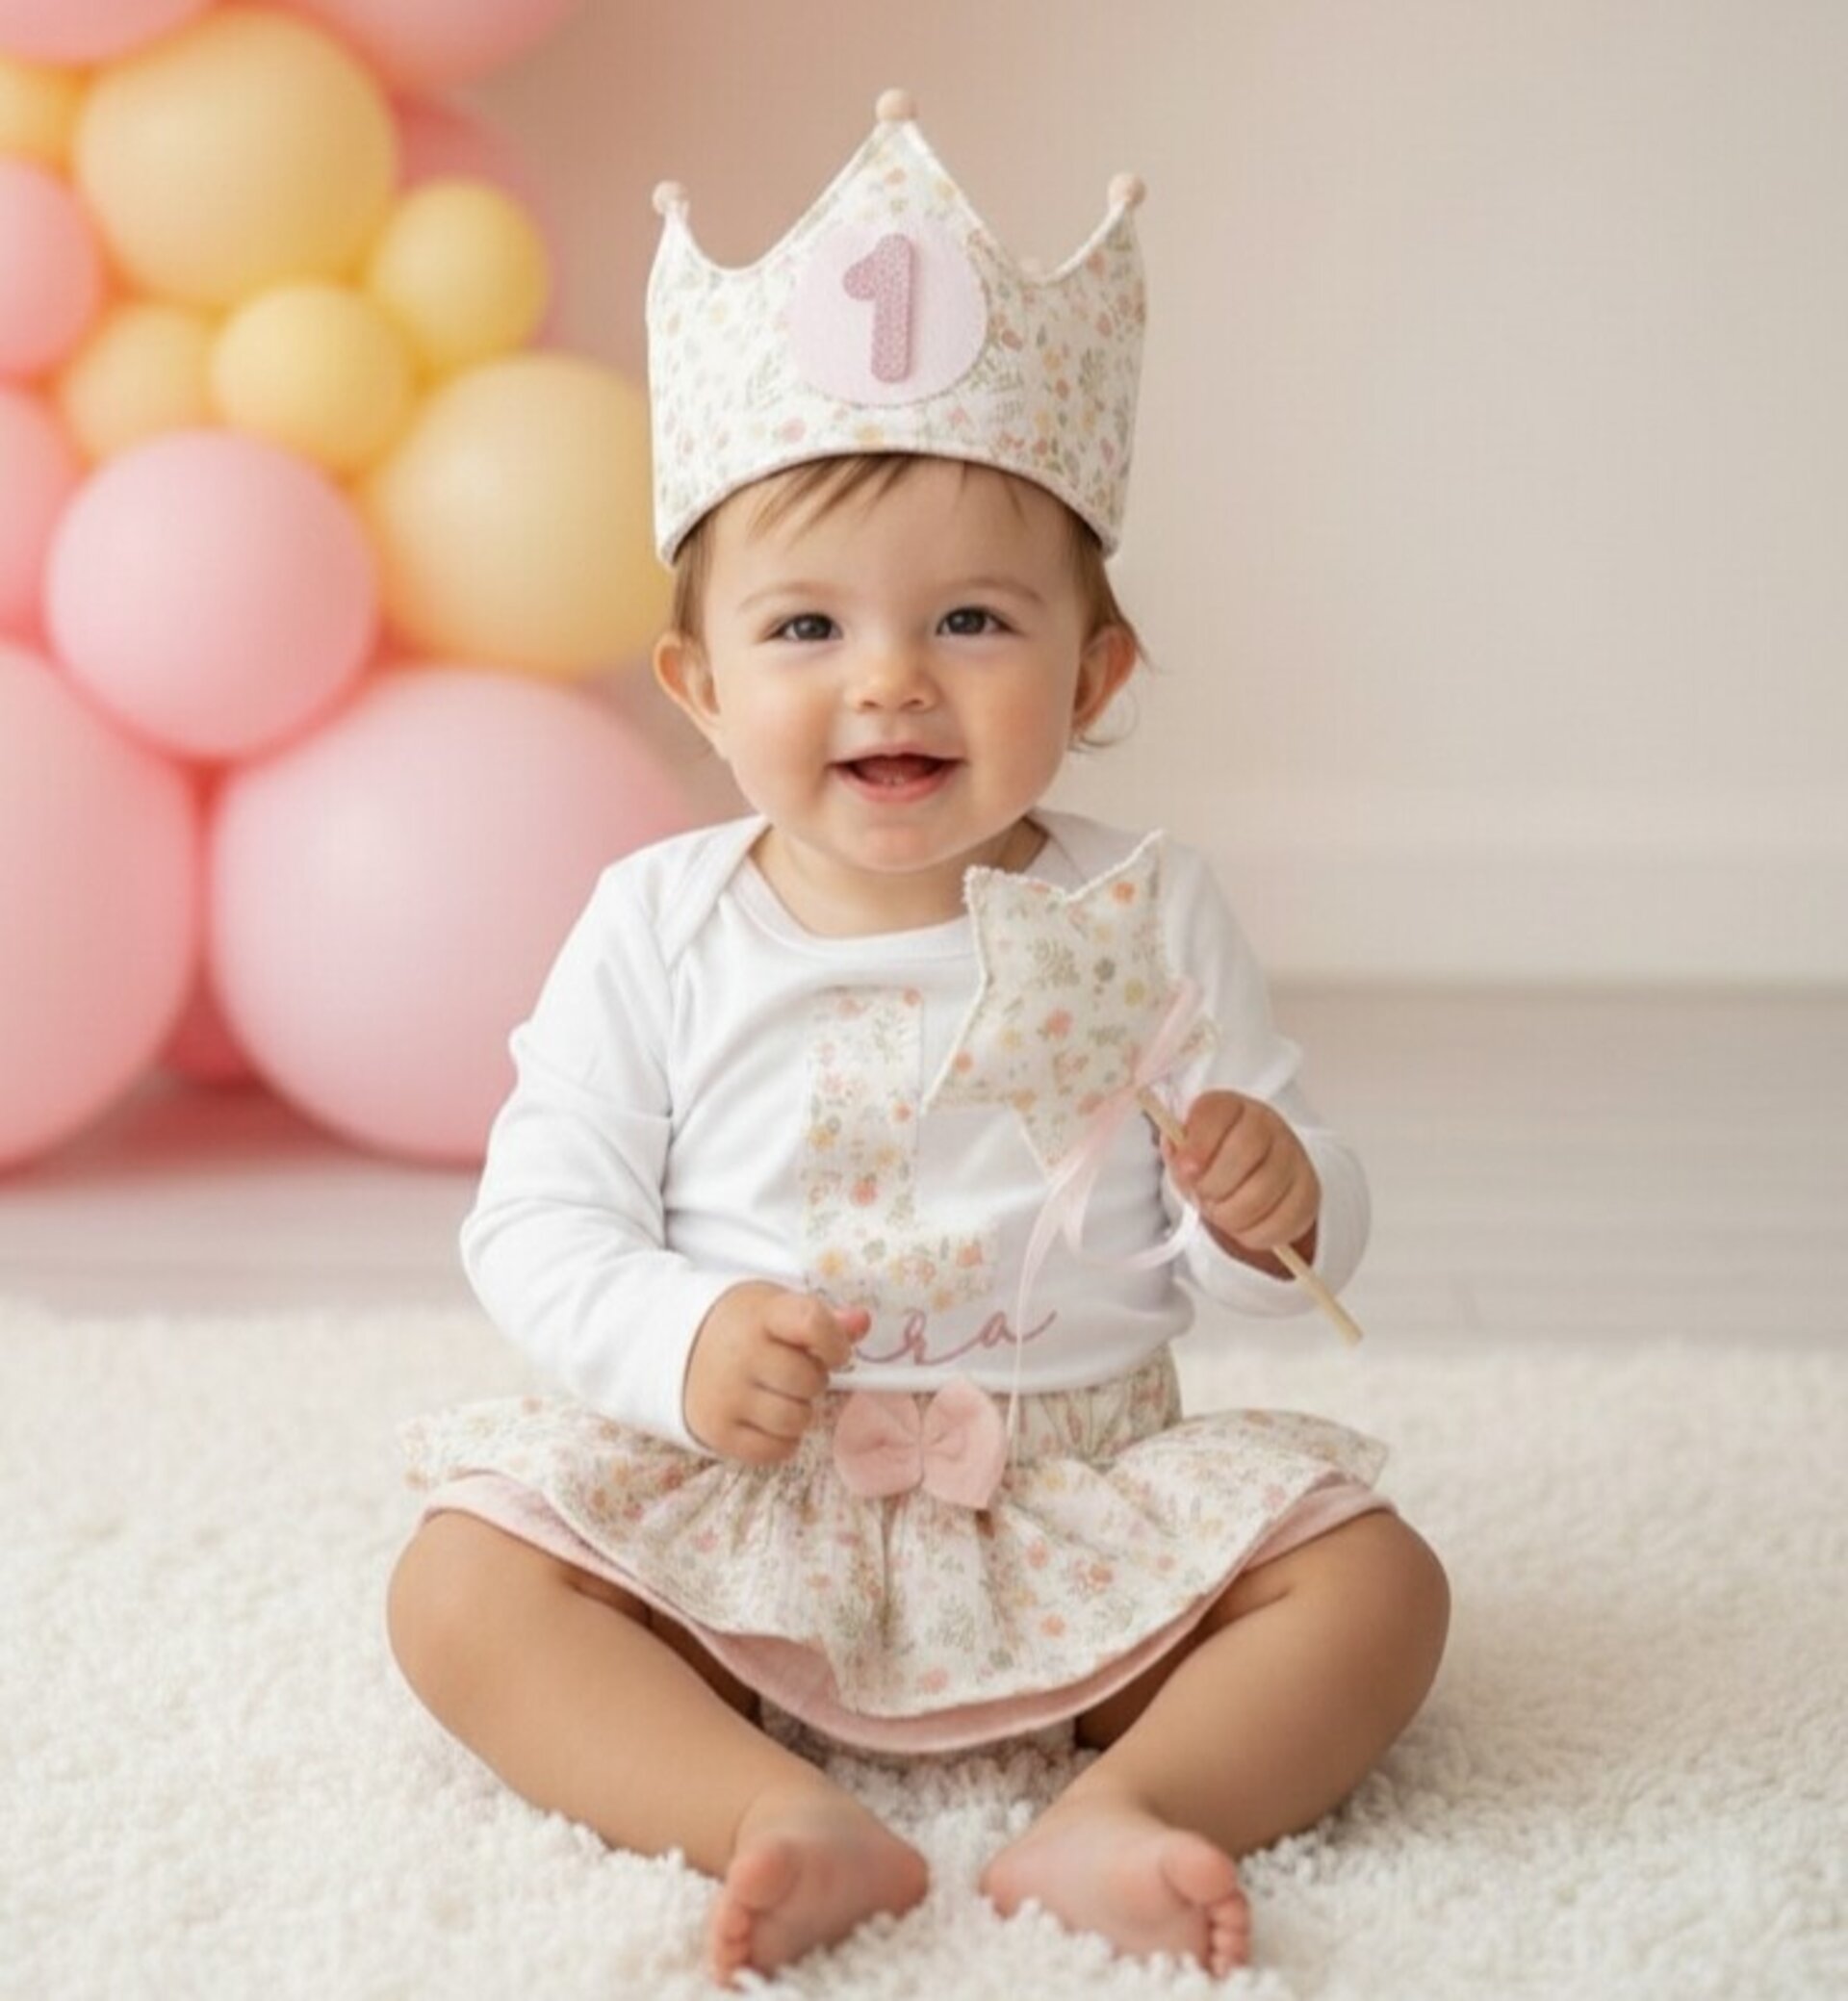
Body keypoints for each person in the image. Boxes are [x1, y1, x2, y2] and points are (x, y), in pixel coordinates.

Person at [387, 90, 1449, 1986]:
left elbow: (1292, 1268)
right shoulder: (659, 920)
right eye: (804, 626)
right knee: (460, 1583)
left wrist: (1280, 1202)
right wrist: (681, 1339)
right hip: (745, 1499)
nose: (889, 675)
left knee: (1375, 1581)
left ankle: (1127, 1806)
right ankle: (767, 1806)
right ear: (701, 684)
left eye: (971, 616)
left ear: (1092, 671)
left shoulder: (1150, 909)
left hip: (1076, 1501)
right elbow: (536, 1221)